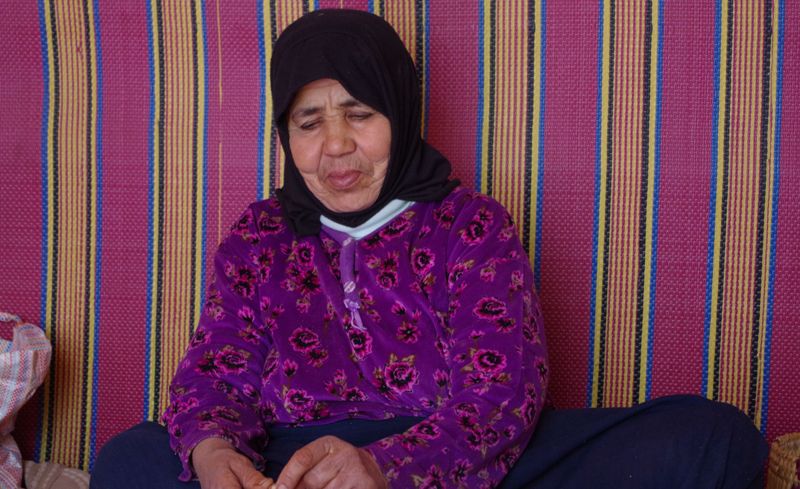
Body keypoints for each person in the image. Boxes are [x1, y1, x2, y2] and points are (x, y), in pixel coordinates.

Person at [91, 9, 767, 489]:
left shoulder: (470, 226)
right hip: (293, 464)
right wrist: (214, 453)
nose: (335, 147)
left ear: (400, 111)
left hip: (448, 462)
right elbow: (213, 376)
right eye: (309, 122)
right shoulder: (259, 237)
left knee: (712, 436)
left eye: (359, 113)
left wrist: (387, 467)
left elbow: (504, 392)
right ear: (284, 132)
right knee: (129, 461)